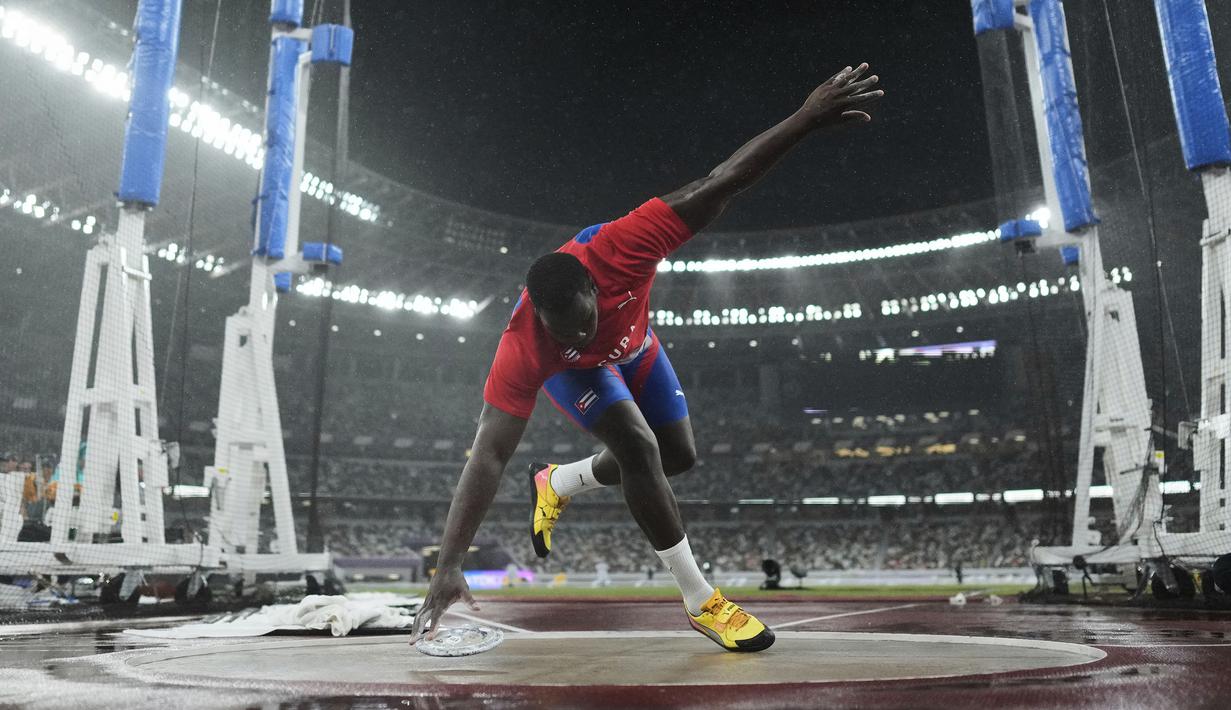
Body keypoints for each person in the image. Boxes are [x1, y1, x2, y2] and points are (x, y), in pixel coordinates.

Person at [410, 64, 883, 652]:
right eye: (563, 332)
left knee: (678, 455)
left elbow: (724, 181)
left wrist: (808, 118)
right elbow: (487, 455)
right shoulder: (529, 345)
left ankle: (560, 480)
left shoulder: (624, 245)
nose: (577, 334)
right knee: (637, 445)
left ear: (593, 284)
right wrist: (449, 562)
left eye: (583, 321)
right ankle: (701, 600)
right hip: (581, 379)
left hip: (637, 348)